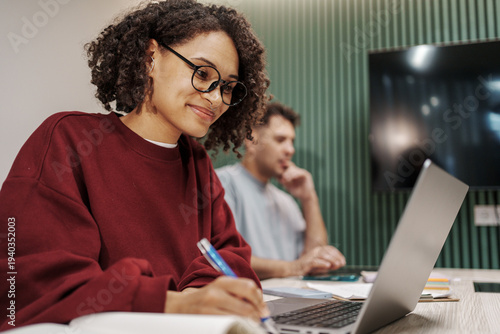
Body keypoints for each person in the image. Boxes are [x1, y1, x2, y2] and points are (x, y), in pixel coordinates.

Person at [0, 0, 271, 330]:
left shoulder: (196, 164)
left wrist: (204, 301)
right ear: (150, 58)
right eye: (202, 74)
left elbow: (230, 258)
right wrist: (173, 303)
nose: (216, 99)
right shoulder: (67, 140)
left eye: (228, 87)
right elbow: (31, 283)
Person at [216, 102, 346, 280]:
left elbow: (315, 259)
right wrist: (294, 267)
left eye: (292, 141)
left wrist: (309, 198)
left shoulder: (286, 201)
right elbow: (223, 258)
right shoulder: (222, 183)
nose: (290, 150)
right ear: (251, 140)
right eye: (280, 140)